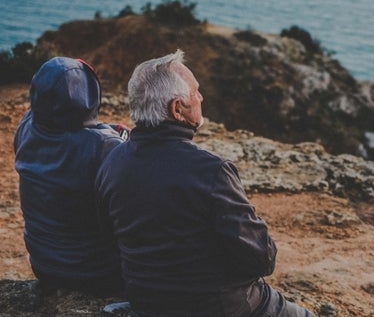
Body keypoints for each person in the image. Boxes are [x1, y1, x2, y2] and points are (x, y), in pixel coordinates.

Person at [96, 50, 313, 317]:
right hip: (218, 306)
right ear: (177, 109)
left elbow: (109, 235)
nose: (201, 97)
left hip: (145, 301)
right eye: (195, 92)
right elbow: (261, 258)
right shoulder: (211, 171)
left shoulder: (112, 161)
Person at [14, 57, 127, 296]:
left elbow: (67, 130)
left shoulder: (26, 126)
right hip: (98, 273)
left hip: (44, 265)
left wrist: (104, 130)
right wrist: (121, 137)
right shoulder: (105, 147)